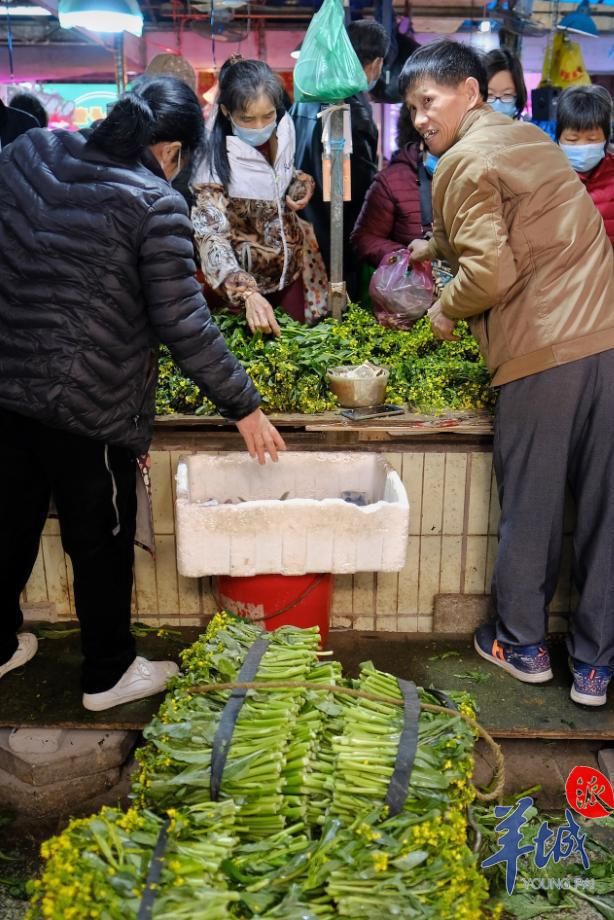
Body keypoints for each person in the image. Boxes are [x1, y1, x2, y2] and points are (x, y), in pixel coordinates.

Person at [0, 76, 286, 711]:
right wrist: (245, 406)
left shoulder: (28, 152)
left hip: (7, 389)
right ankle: (107, 673)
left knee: (9, 523)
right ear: (171, 150)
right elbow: (183, 324)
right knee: (98, 538)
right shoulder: (154, 203)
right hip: (88, 405)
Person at [403, 41, 614, 706]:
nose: (418, 118)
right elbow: (522, 226)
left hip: (541, 354)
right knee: (608, 509)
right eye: (410, 107)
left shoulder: (460, 162)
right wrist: (436, 242)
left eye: (427, 101)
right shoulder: (528, 139)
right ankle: (595, 665)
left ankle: (520, 644)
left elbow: (491, 272)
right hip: (605, 338)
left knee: (532, 502)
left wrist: (441, 310)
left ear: (469, 91)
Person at [191, 56, 324, 335]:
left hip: (289, 276)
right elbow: (210, 235)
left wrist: (299, 182)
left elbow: (278, 175)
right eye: (247, 119)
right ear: (227, 112)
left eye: (267, 115)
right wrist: (245, 292)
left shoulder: (284, 129)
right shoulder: (210, 163)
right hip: (239, 291)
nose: (259, 126)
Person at [290, 20, 390, 298]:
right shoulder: (352, 111)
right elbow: (359, 196)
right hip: (334, 245)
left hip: (301, 233)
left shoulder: (305, 99)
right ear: (377, 63)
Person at [351, 105, 432, 269]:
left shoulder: (476, 172)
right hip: (415, 288)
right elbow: (364, 238)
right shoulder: (392, 181)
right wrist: (406, 257)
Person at [556, 84, 614, 245]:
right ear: (559, 138)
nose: (582, 146)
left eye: (592, 139)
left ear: (606, 138)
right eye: (572, 140)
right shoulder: (545, 175)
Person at [484, 48, 527, 119]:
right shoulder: (467, 129)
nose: (497, 104)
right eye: (489, 95)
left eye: (507, 95)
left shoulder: (527, 130)